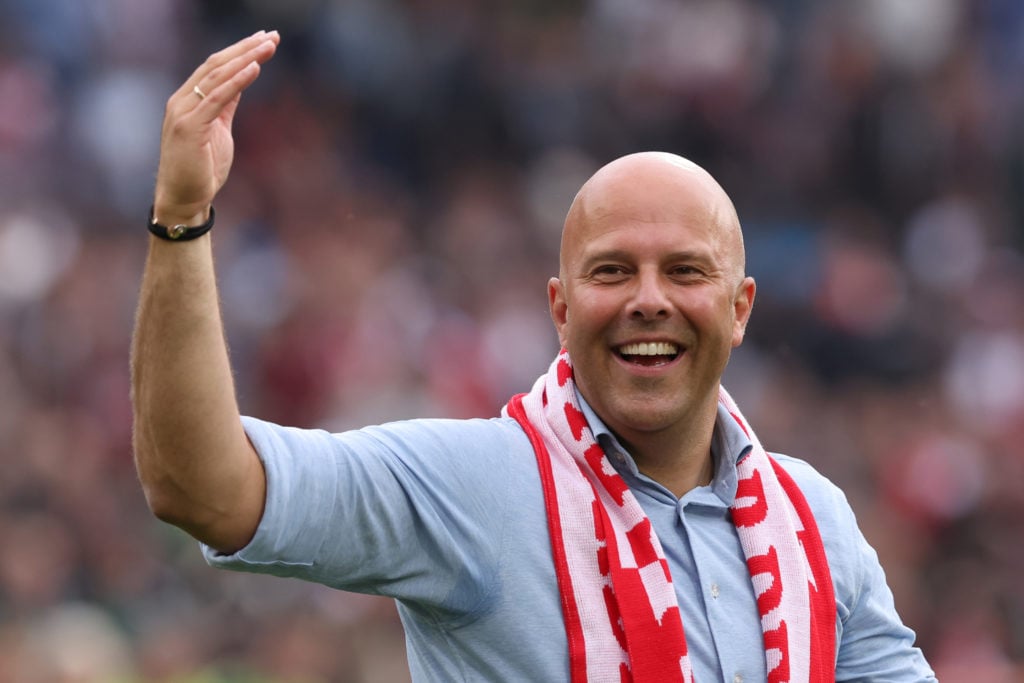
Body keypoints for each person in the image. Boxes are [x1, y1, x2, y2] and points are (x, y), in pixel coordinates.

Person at [131, 32, 937, 682]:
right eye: (612, 270)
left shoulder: (812, 520)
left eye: (686, 271)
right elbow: (201, 485)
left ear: (739, 311)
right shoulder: (473, 486)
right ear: (560, 309)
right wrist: (181, 220)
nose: (648, 299)